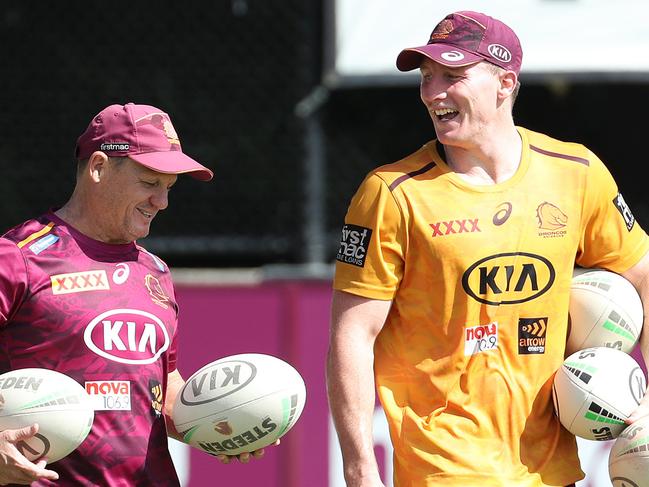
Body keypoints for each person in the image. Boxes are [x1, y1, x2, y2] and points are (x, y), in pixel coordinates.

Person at [326, 10, 649, 487]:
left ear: (504, 83)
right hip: (443, 468)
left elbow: (643, 278)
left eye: (453, 76)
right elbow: (352, 334)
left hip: (551, 471)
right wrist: (359, 470)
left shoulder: (577, 172)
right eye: (427, 76)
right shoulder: (391, 192)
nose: (433, 93)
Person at [0, 103, 268, 486]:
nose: (162, 202)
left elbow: (162, 388)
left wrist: (219, 424)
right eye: (150, 183)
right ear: (98, 168)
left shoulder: (155, 272)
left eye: (169, 188)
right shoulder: (17, 257)